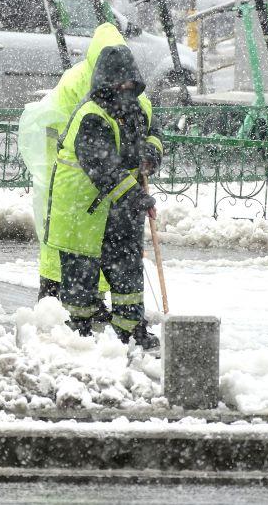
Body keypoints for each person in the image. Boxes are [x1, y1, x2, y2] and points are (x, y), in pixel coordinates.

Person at [42, 45, 163, 349]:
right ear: (105, 83)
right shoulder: (91, 116)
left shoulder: (135, 109)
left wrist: (151, 152)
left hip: (120, 208)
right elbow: (105, 168)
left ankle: (130, 328)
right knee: (81, 274)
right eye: (119, 84)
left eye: (130, 84)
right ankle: (79, 331)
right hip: (82, 209)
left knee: (127, 268)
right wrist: (136, 197)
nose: (125, 90)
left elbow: (154, 134)